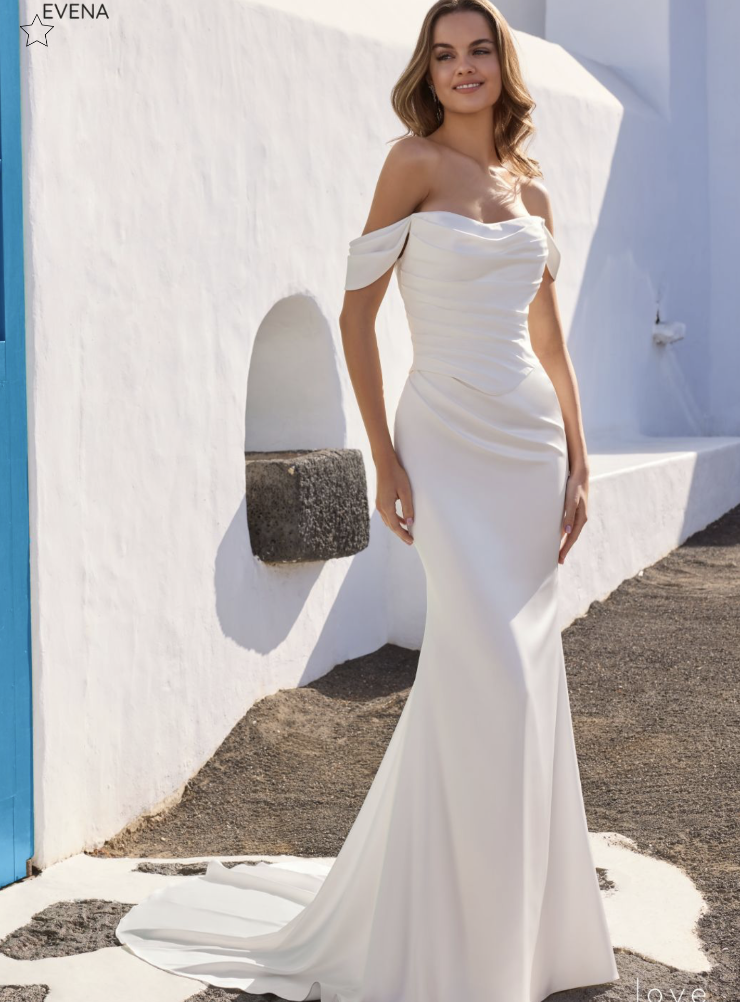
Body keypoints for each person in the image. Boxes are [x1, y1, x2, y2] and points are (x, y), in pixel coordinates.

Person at [116, 2, 621, 999]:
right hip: (443, 444)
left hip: (524, 451)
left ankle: (519, 935)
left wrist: (578, 453)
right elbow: (356, 316)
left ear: (503, 66)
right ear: (426, 73)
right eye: (444, 55)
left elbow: (551, 343)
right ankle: (460, 943)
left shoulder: (534, 193)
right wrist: (383, 458)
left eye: (479, 51)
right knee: (487, 679)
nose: (463, 68)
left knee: (518, 686)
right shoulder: (410, 165)